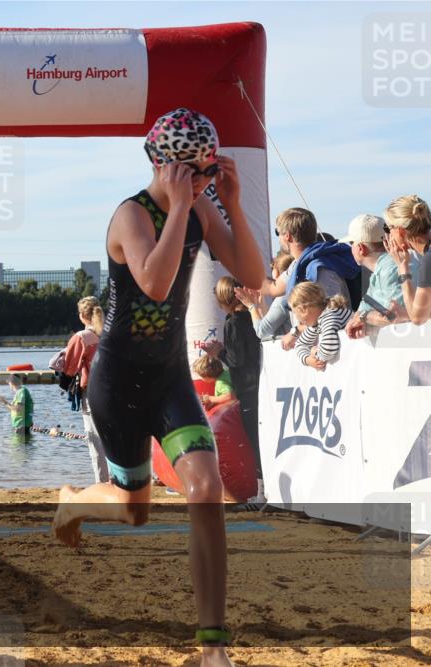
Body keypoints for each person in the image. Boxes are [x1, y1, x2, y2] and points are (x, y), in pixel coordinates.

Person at [51, 107, 265, 667]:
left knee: (204, 490)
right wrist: (180, 207)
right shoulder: (132, 215)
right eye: (196, 173)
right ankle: (72, 504)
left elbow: (251, 274)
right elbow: (154, 280)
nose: (204, 183)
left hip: (168, 378)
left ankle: (212, 647)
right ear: (168, 168)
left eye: (209, 173)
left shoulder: (197, 207)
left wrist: (232, 205)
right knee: (134, 511)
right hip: (117, 383)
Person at [262, 207, 358, 350]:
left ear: (287, 236)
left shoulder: (319, 268)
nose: (279, 238)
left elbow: (332, 313)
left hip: (327, 351)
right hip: (312, 349)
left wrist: (295, 332)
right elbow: (273, 288)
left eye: (278, 233)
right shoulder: (298, 264)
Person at [205, 275, 263, 502]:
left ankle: (261, 492)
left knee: (255, 441)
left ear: (222, 299)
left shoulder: (233, 322)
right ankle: (263, 489)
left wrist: (218, 352)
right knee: (261, 438)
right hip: (260, 383)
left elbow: (236, 360)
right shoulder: (252, 315)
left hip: (248, 387)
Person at [62, 296, 109, 483]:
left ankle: (102, 483)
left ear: (82, 315)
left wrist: (64, 385)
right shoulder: (109, 334)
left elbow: (69, 369)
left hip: (93, 394)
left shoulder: (81, 337)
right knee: (114, 441)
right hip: (115, 392)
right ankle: (121, 483)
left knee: (96, 443)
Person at [344, 213, 415, 338]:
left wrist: (364, 317)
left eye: (351, 243)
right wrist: (363, 317)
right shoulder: (380, 271)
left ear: (361, 248)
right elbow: (365, 307)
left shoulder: (390, 269)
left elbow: (394, 316)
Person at [385, 195, 431, 326]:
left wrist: (402, 267)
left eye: (389, 229)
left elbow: (418, 318)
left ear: (400, 231)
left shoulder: (429, 259)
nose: (389, 235)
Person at [289, 282, 353, 370]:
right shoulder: (316, 323)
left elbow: (329, 349)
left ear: (303, 310)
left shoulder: (329, 316)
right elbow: (300, 344)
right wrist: (308, 360)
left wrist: (314, 354)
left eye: (295, 313)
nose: (297, 318)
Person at [234, 251, 294, 339]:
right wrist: (260, 305)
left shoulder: (282, 299)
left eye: (272, 268)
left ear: (277, 272)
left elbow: (260, 331)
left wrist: (251, 306)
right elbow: (270, 326)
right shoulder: (291, 293)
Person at [0, 374, 34, 439]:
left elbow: (18, 409)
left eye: (9, 384)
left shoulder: (22, 392)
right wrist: (3, 402)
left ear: (11, 383)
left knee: (17, 448)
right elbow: (13, 410)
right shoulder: (20, 392)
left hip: (22, 427)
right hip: (20, 426)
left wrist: (5, 402)